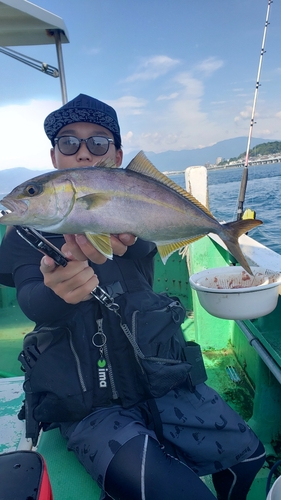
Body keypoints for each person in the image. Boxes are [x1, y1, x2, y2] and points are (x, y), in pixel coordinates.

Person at [0, 94, 265, 500]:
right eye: (69, 143)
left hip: (161, 379)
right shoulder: (24, 233)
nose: (84, 153)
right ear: (54, 156)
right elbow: (33, 298)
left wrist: (138, 233)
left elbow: (138, 245)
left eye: (99, 143)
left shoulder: (133, 212)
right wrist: (60, 291)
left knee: (249, 457)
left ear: (117, 154)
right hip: (89, 402)